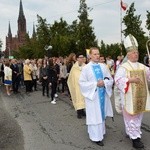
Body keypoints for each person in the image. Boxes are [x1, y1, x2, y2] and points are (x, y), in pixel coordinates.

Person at [114, 34, 150, 149]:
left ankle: (132, 132)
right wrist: (130, 80)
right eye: (134, 53)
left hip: (141, 97)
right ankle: (135, 139)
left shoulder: (142, 66)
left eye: (137, 52)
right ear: (128, 55)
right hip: (129, 98)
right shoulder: (123, 67)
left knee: (138, 117)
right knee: (131, 117)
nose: (136, 54)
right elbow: (118, 80)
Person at [79, 47, 113, 146]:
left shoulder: (103, 66)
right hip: (93, 96)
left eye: (98, 54)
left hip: (102, 95)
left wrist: (105, 83)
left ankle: (101, 133)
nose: (97, 56)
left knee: (101, 115)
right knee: (94, 116)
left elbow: (110, 79)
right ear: (90, 56)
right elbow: (82, 83)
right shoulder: (86, 68)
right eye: (94, 54)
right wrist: (95, 84)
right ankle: (95, 137)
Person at [67, 53, 86, 119]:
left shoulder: (85, 66)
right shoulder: (74, 68)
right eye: (80, 57)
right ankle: (79, 112)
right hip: (77, 86)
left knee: (84, 99)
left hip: (84, 86)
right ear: (77, 58)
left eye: (82, 57)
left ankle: (83, 111)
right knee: (78, 98)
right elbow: (71, 77)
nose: (82, 59)